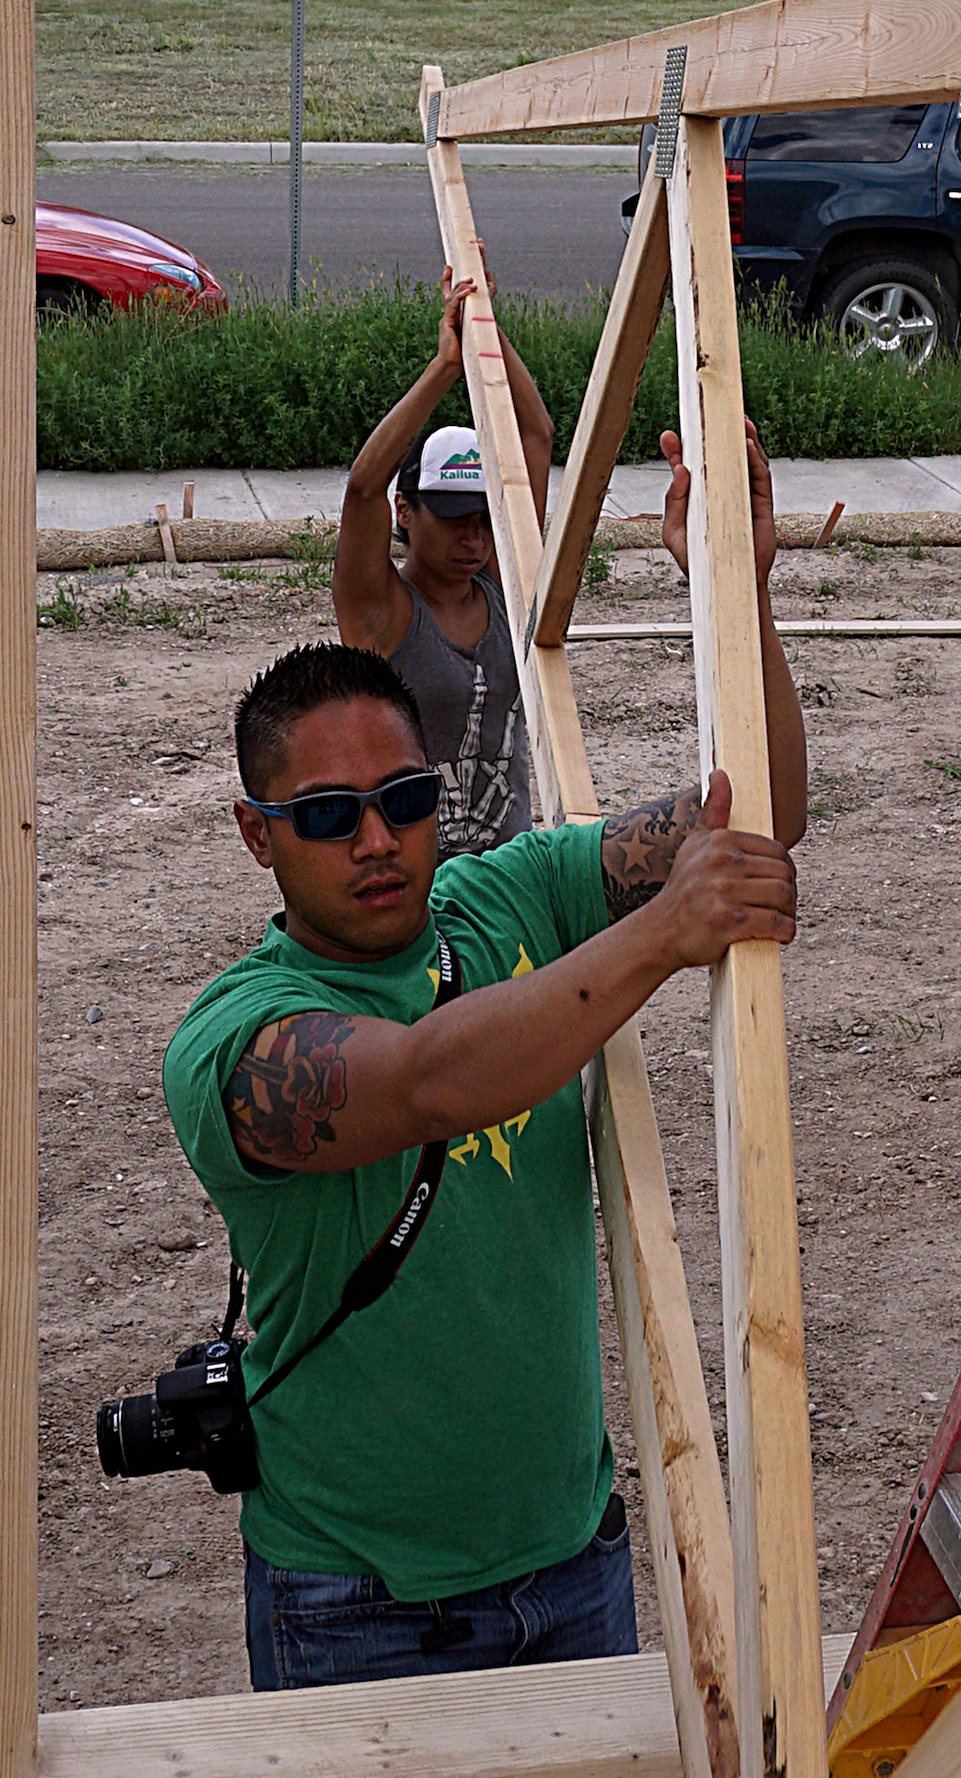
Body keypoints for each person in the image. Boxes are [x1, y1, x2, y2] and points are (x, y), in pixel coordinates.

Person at [164, 423, 806, 1692]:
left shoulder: (508, 898)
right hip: (357, 1600)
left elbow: (758, 812)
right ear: (257, 835)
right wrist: (663, 934)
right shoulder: (234, 1041)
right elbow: (424, 1080)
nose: (379, 841)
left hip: (574, 1562)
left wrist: (737, 588)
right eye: (327, 818)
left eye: (404, 801)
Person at [333, 248, 552, 858]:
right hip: (416, 882)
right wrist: (445, 368)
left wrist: (480, 325)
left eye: (485, 521)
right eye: (455, 520)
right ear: (408, 513)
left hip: (508, 872)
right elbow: (362, 487)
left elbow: (535, 436)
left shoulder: (503, 587)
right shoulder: (382, 613)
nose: (474, 540)